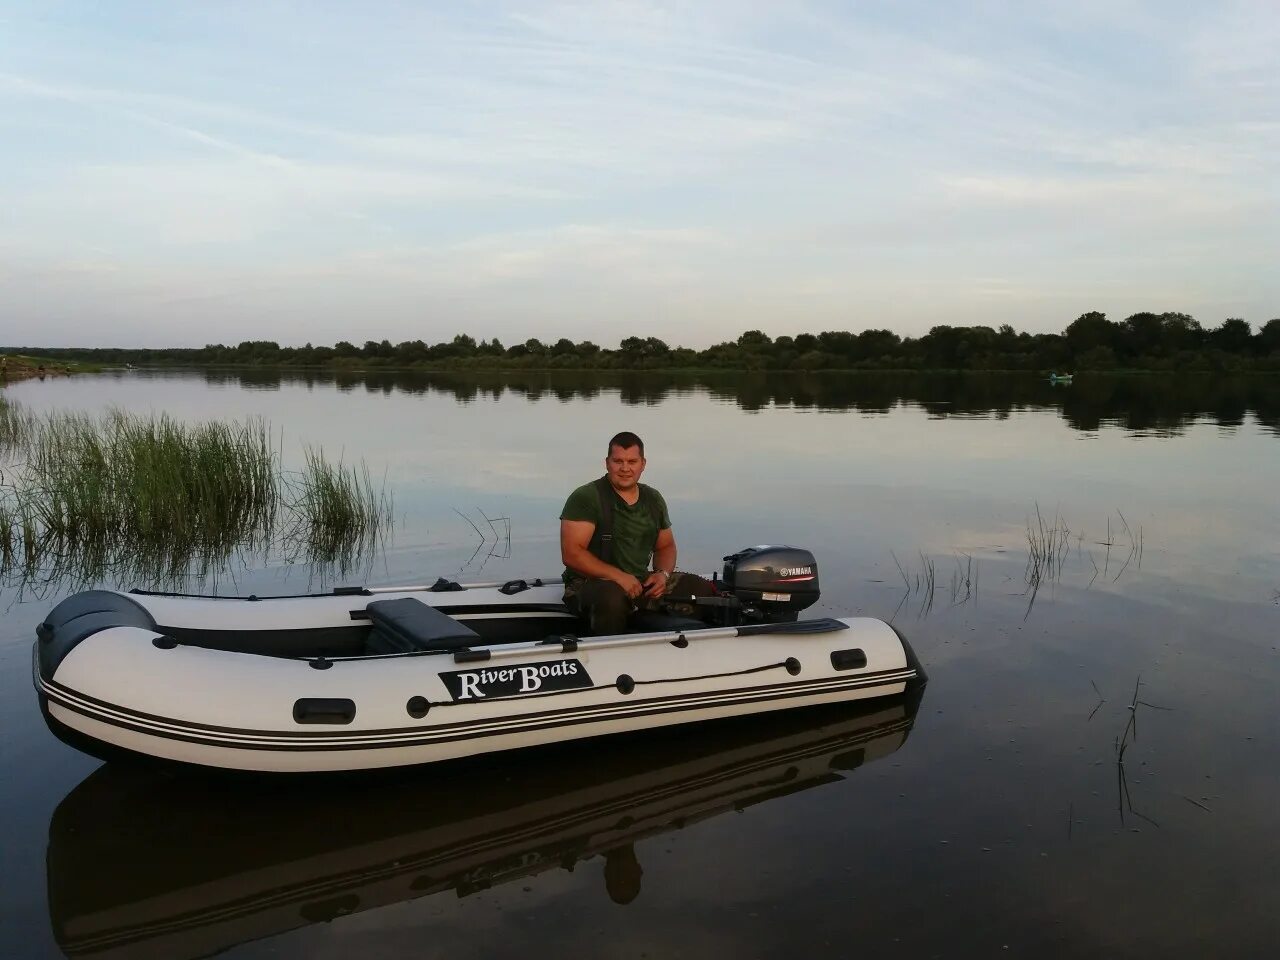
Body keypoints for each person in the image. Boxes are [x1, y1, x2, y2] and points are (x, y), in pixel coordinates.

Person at [560, 431, 714, 635]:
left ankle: (675, 642)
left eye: (632, 461)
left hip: (639, 582)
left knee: (699, 588)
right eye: (618, 461)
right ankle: (609, 650)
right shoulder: (585, 497)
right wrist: (618, 577)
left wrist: (662, 574)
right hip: (590, 585)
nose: (625, 468)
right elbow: (572, 554)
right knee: (611, 598)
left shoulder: (653, 498)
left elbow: (665, 546)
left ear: (643, 464)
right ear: (607, 463)